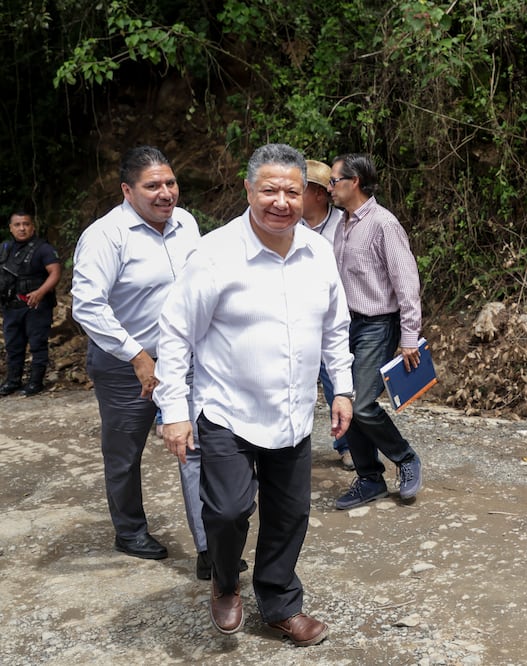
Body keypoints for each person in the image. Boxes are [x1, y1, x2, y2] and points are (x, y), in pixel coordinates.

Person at [155, 143, 354, 647]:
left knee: (290, 515)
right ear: (248, 191)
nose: (281, 202)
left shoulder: (319, 253)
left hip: (291, 414)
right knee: (225, 511)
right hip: (227, 411)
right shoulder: (215, 255)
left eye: (292, 191)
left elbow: (336, 328)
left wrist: (343, 388)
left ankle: (280, 603)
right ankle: (225, 579)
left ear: (306, 194)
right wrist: (175, 412)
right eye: (269, 190)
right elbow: (176, 334)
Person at [71, 146, 218, 574]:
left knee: (193, 446)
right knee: (124, 452)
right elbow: (88, 305)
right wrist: (136, 354)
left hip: (180, 358)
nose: (165, 193)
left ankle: (209, 548)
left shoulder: (187, 223)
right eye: (152, 185)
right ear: (127, 190)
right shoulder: (106, 235)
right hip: (124, 365)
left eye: (170, 183)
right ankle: (130, 528)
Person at [328, 153, 423, 509]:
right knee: (344, 401)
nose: (329, 188)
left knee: (362, 404)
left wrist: (409, 336)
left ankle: (405, 458)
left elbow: (406, 282)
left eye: (334, 181)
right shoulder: (344, 223)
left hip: (377, 325)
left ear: (354, 182)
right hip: (346, 325)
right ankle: (369, 479)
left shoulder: (384, 224)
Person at [300, 158, 352, 470]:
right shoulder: (287, 224)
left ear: (318, 194)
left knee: (338, 383)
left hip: (334, 316)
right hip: (299, 318)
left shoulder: (343, 225)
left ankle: (347, 445)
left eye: (299, 190)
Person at [1, 211, 61, 396]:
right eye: (17, 225)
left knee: (37, 344)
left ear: (32, 227)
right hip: (11, 306)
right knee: (13, 345)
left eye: (26, 224)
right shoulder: (5, 248)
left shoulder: (43, 248)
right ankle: (13, 381)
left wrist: (41, 292)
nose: (22, 228)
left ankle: (35, 382)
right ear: (10, 228)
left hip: (36, 306)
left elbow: (55, 272)